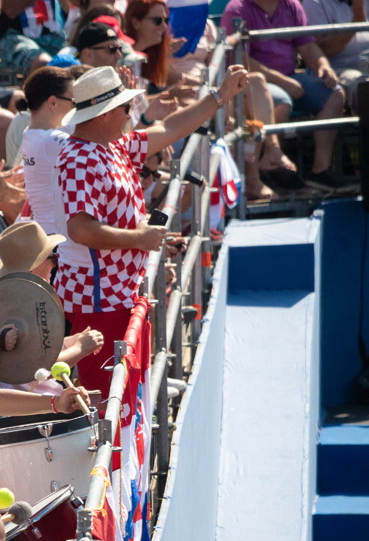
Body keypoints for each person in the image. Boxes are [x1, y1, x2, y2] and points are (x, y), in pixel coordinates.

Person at [57, 64, 249, 395]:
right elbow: (81, 230)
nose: (130, 115)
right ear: (103, 114)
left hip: (116, 296)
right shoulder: (79, 158)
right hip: (99, 301)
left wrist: (219, 96)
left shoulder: (113, 145)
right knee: (111, 397)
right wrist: (141, 238)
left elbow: (171, 127)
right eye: (125, 108)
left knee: (127, 393)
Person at [223, 0, 349, 193]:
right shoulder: (236, 9)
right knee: (281, 101)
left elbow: (307, 44)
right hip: (255, 82)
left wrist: (322, 66)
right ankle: (268, 165)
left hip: (290, 76)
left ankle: (320, 170)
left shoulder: (291, 3)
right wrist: (284, 81)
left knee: (336, 93)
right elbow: (242, 60)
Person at [17, 65, 76, 238]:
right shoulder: (50, 140)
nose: (76, 108)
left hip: (48, 234)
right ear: (53, 102)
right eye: (74, 102)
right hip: (58, 241)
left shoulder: (32, 133)